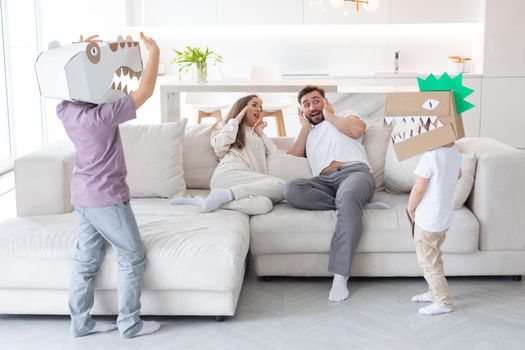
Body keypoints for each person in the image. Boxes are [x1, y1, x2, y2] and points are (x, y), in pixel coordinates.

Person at [58, 33, 161, 338]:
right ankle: (129, 323)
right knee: (132, 256)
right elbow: (146, 89)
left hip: (82, 196)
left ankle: (80, 322)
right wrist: (153, 51)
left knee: (86, 260)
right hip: (106, 198)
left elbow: (71, 85)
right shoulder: (103, 116)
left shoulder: (66, 110)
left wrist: (78, 50)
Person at [283, 85, 375, 302]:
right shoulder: (309, 133)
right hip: (324, 182)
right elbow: (292, 157)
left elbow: (356, 131)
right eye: (306, 105)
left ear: (326, 102)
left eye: (316, 101)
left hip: (355, 173)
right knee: (291, 189)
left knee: (348, 194)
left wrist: (330, 115)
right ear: (301, 111)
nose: (312, 107)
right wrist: (304, 127)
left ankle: (340, 276)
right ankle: (350, 205)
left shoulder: (346, 117)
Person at [172, 95, 285, 215]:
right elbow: (218, 146)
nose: (259, 109)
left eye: (260, 107)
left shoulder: (257, 135)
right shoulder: (228, 127)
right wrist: (237, 120)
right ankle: (224, 194)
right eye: (254, 105)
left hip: (246, 180)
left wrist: (260, 132)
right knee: (283, 186)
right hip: (228, 175)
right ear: (242, 108)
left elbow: (274, 155)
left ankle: (206, 201)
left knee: (264, 204)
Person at [407, 142, 461, 315]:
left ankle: (443, 302)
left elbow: (418, 188)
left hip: (428, 220)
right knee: (435, 256)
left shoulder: (430, 157)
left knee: (428, 262)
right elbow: (459, 174)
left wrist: (410, 208)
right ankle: (433, 292)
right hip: (443, 217)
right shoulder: (455, 149)